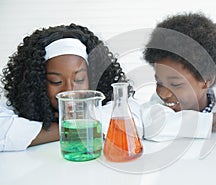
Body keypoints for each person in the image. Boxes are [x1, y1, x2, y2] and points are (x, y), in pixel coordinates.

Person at [0, 23, 126, 151]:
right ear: (37, 82)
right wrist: (74, 126)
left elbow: (133, 117)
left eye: (79, 79)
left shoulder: (107, 100)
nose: (69, 91)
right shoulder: (18, 103)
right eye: (56, 81)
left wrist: (82, 117)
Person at [141, 12, 216, 141]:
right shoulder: (156, 108)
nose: (164, 93)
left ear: (206, 81)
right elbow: (156, 127)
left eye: (175, 84)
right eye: (159, 83)